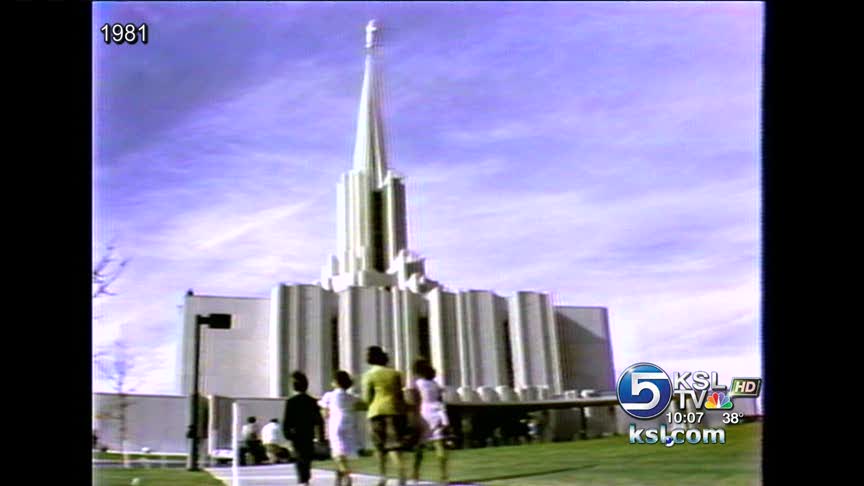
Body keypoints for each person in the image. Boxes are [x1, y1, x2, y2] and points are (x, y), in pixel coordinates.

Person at [362, 346, 407, 486]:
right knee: (394, 446)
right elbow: (400, 394)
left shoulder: (369, 375)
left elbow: (367, 397)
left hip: (377, 412)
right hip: (395, 411)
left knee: (379, 446)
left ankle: (383, 476)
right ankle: (401, 474)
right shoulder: (395, 374)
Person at [411, 358, 450, 485]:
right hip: (438, 412)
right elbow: (440, 399)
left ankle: (415, 474)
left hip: (425, 412)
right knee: (439, 444)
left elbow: (415, 401)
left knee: (420, 447)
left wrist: (414, 417)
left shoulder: (418, 383)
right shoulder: (435, 384)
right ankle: (444, 475)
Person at [319, 370, 361, 486]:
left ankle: (347, 476)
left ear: (336, 382)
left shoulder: (329, 395)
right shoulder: (350, 397)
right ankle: (338, 480)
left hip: (335, 423)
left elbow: (324, 412)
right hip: (349, 423)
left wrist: (325, 423)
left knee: (337, 453)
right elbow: (360, 404)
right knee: (343, 453)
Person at [283, 371, 325, 486]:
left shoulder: (291, 402)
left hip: (296, 435)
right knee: (306, 457)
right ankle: (305, 479)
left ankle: (303, 480)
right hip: (308, 434)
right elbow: (319, 421)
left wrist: (287, 434)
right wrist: (321, 436)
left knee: (299, 457)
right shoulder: (312, 401)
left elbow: (287, 421)